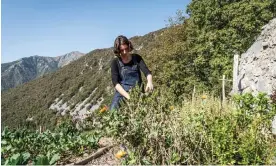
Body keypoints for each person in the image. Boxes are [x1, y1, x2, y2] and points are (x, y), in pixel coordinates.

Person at [110, 35, 153, 110]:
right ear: (118, 50)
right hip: (122, 92)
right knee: (113, 111)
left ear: (129, 46)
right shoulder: (115, 62)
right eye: (121, 50)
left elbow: (147, 72)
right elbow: (115, 83)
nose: (124, 52)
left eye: (126, 49)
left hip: (138, 90)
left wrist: (149, 82)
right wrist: (129, 97)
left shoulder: (137, 58)